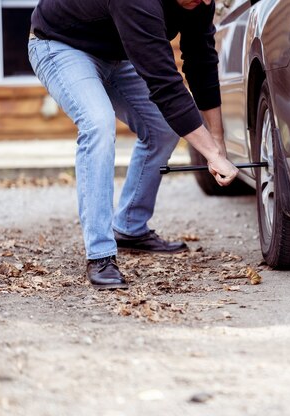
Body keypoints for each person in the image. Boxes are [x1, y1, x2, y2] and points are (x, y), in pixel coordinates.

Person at [28, 0, 238, 290]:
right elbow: (164, 84)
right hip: (60, 45)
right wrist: (212, 155)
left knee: (163, 129)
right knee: (98, 124)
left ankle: (130, 227)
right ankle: (100, 255)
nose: (203, 2)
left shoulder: (200, 2)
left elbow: (201, 63)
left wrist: (218, 142)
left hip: (115, 55)